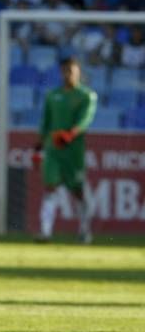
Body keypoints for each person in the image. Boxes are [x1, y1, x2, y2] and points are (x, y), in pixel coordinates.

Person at [34, 56, 97, 244]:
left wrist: (71, 134)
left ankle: (85, 231)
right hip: (53, 149)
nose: (68, 74)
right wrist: (39, 145)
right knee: (50, 188)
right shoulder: (52, 95)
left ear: (78, 72)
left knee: (78, 191)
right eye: (65, 70)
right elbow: (45, 121)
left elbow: (85, 120)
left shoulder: (86, 96)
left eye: (71, 70)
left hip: (73, 151)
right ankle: (45, 232)